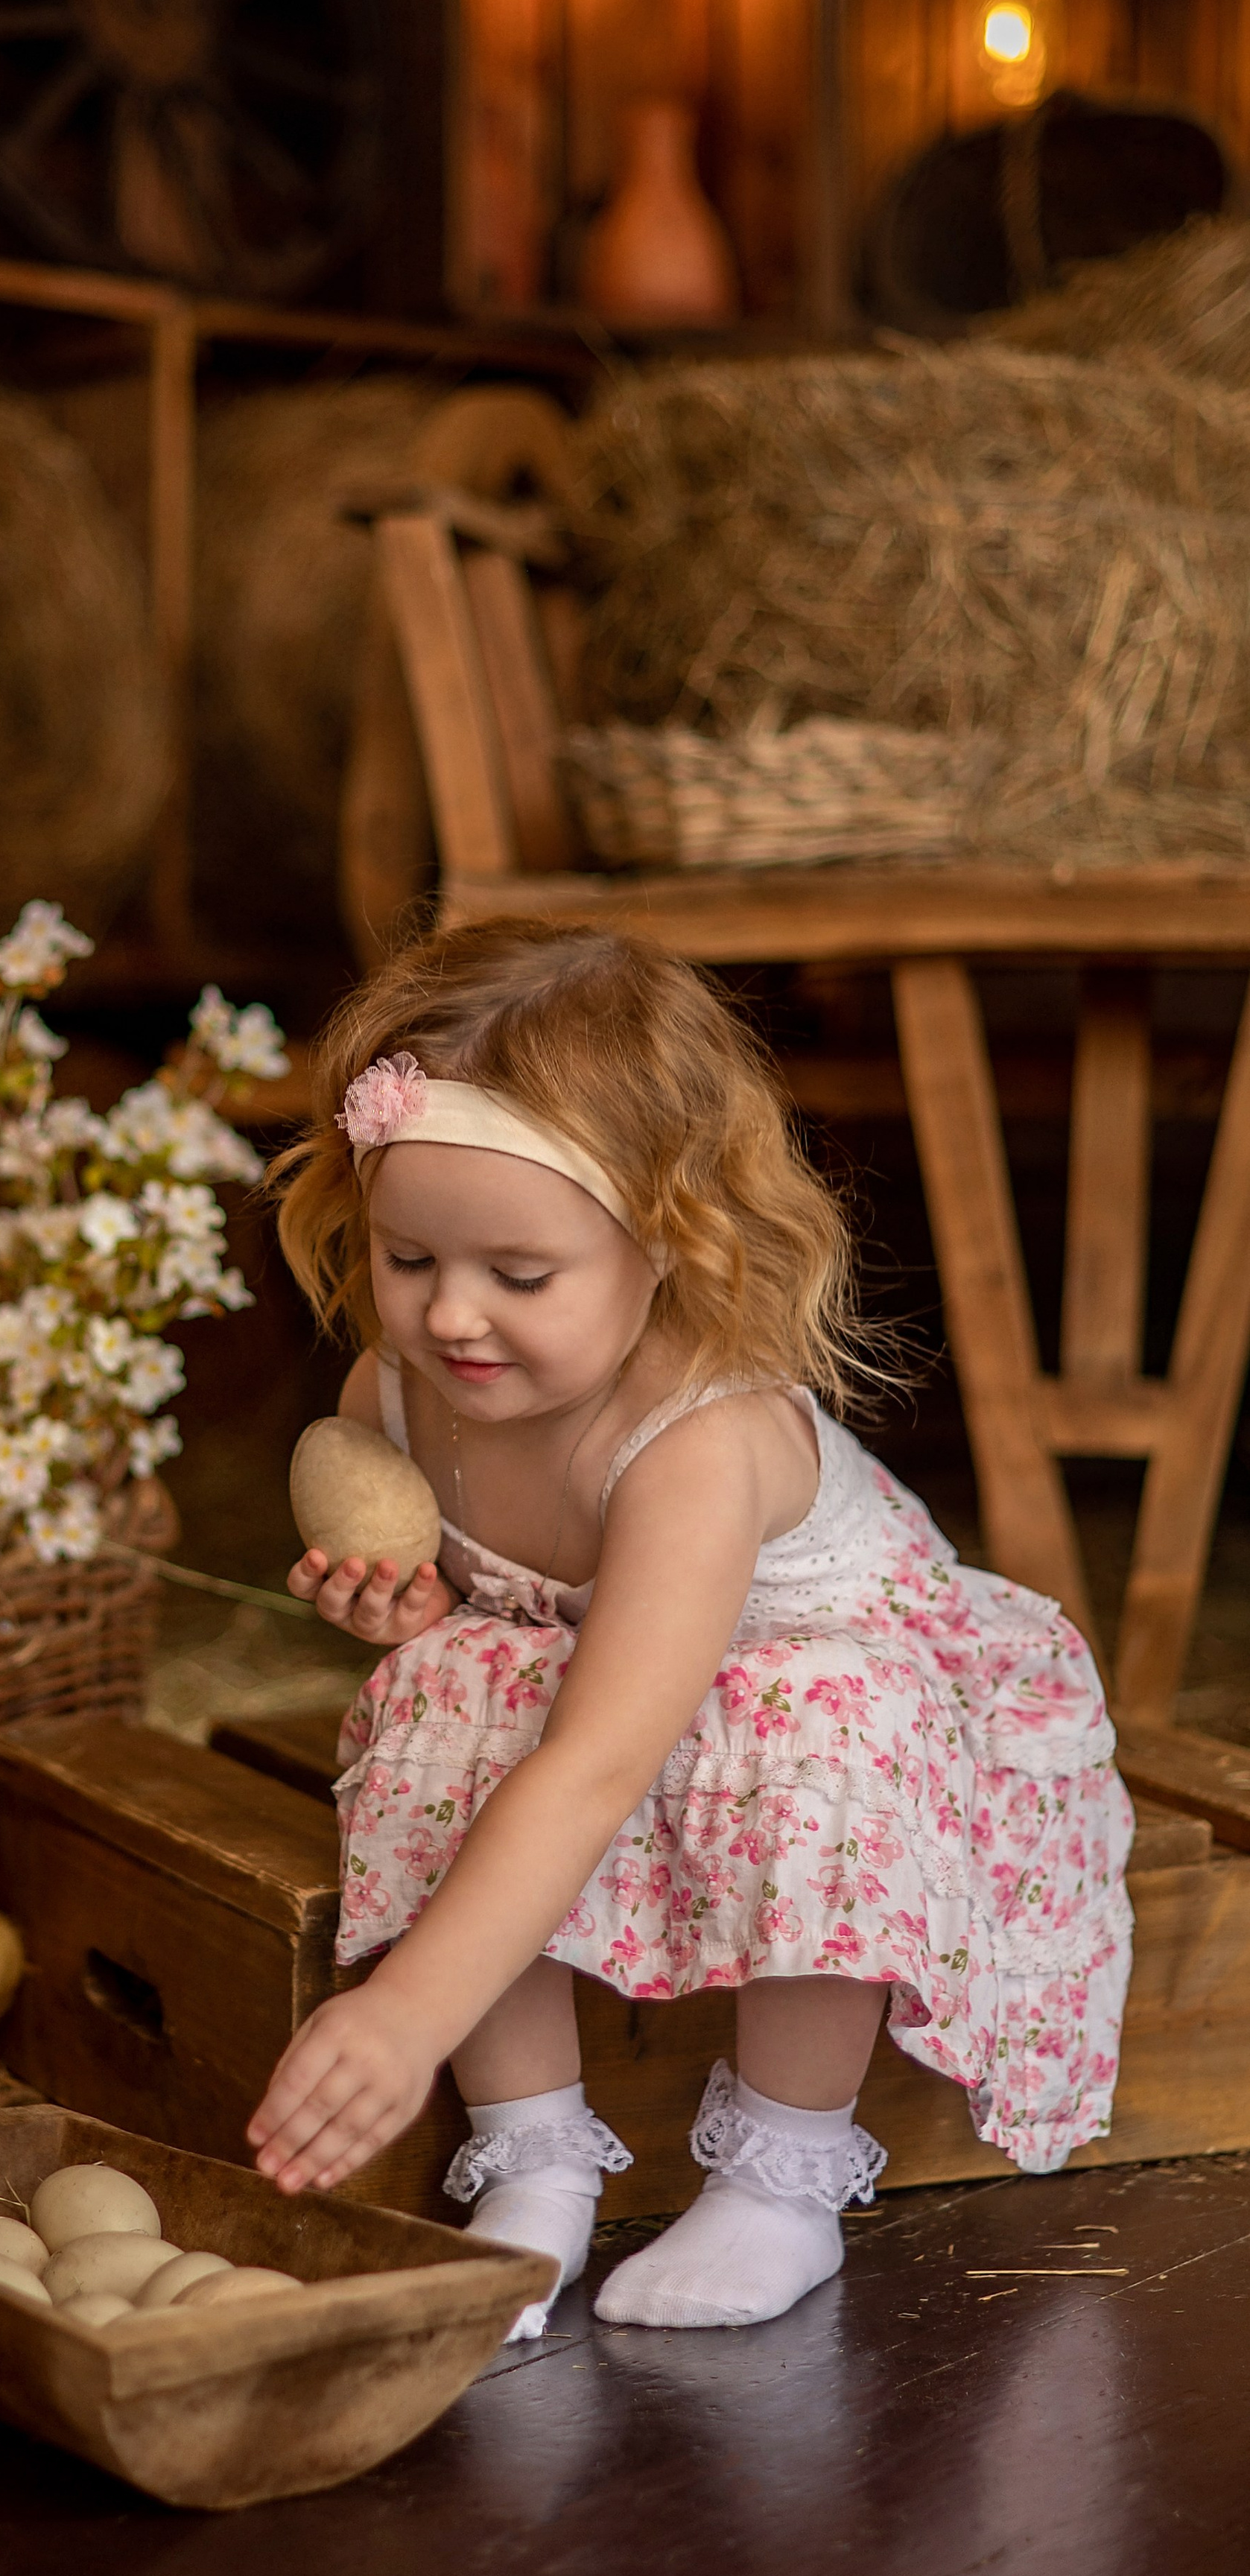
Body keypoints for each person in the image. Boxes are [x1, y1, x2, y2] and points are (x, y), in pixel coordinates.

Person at [247, 919, 1133, 2335]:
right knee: (448, 1679)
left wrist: (407, 2006)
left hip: (832, 1722)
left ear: (665, 1240)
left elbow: (598, 1762)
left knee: (818, 1713)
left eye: (520, 1277)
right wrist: (414, 1611)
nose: (452, 1316)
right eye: (410, 1257)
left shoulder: (692, 1445)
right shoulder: (394, 1399)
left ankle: (782, 2180)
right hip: (636, 1704)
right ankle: (533, 2163)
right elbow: (530, 1655)